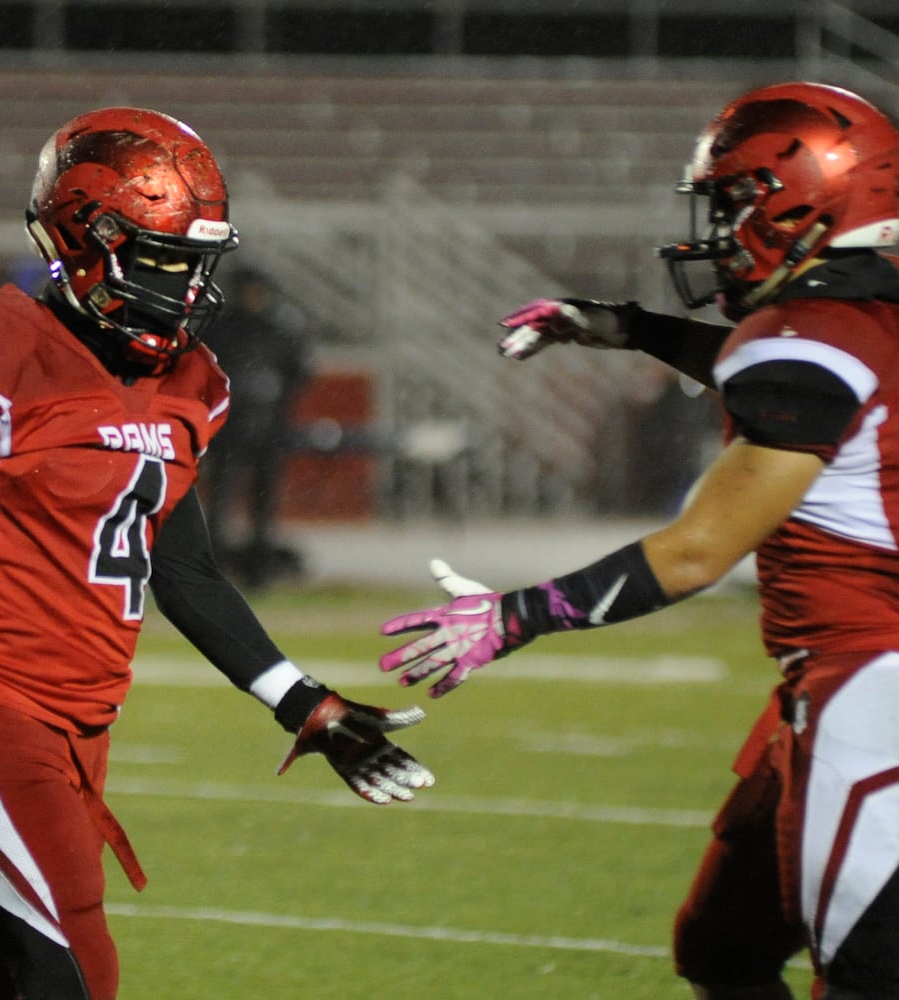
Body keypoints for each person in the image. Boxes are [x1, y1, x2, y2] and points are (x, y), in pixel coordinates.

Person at [0, 106, 434, 1000]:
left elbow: (186, 574)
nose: (182, 290)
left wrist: (307, 706)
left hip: (79, 725)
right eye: (162, 260)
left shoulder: (188, 385)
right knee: (75, 975)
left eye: (195, 266)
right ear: (82, 237)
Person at [379, 81, 899, 1000]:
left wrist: (514, 617)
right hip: (839, 679)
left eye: (736, 204)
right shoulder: (856, 325)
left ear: (808, 200)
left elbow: (699, 549)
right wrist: (629, 329)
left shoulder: (810, 339)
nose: (719, 230)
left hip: (869, 686)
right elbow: (778, 376)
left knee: (859, 978)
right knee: (723, 948)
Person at [200, 265, 312, 585]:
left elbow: (298, 371)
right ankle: (216, 561)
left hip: (267, 425)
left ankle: (258, 566)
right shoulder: (226, 325)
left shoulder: (279, 326)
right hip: (229, 424)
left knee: (263, 499)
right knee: (221, 496)